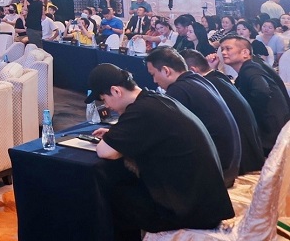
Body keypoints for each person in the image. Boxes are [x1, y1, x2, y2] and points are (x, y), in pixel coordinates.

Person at [87, 64, 234, 240]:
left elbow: (106, 152)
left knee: (111, 195)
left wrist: (112, 139)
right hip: (206, 203)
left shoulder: (141, 111)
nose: (106, 105)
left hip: (189, 211)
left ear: (116, 91)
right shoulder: (155, 100)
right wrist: (116, 135)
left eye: (104, 99)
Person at [145, 47, 240, 187]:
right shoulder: (200, 80)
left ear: (166, 70)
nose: (154, 81)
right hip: (230, 166)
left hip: (216, 173)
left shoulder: (178, 90)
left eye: (153, 74)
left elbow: (163, 131)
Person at [181, 49, 265, 175]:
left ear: (192, 70)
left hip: (240, 161)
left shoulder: (206, 85)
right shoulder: (217, 77)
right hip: (251, 152)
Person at [218, 35, 290, 155]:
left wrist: (247, 111)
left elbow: (262, 91)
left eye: (228, 49)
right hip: (274, 130)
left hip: (270, 133)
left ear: (245, 53)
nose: (224, 53)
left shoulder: (251, 70)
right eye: (222, 49)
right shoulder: (250, 67)